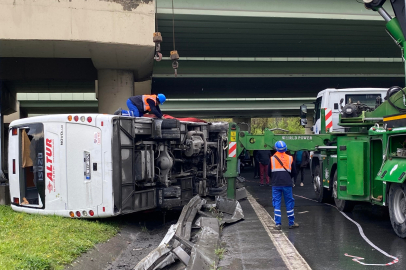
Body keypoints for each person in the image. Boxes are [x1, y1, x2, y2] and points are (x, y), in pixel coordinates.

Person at [268, 141, 299, 230]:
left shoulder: (272, 158)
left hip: (276, 184)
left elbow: (268, 173)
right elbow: (294, 172)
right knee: (289, 202)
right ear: (285, 148)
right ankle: (291, 223)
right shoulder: (290, 158)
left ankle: (278, 224)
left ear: (276, 149)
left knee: (276, 203)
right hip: (287, 184)